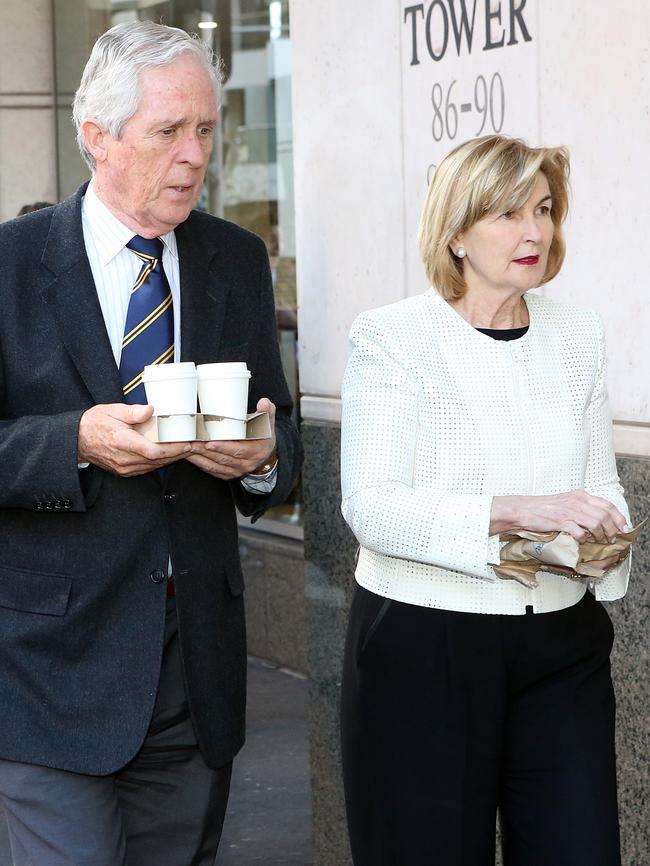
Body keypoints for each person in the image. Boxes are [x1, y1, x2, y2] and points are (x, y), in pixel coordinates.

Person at [0, 20, 301, 866]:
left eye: (206, 129)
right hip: (48, 673)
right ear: (97, 137)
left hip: (193, 670)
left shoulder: (235, 260)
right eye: (169, 130)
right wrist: (76, 443)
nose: (195, 154)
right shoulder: (12, 266)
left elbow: (283, 444)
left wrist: (264, 461)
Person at [339, 135, 631, 866]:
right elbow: (371, 506)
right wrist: (514, 512)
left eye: (543, 209)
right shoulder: (393, 338)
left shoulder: (578, 334)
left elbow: (599, 491)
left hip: (562, 647)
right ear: (456, 232)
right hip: (424, 648)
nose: (534, 232)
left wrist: (599, 540)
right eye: (506, 214)